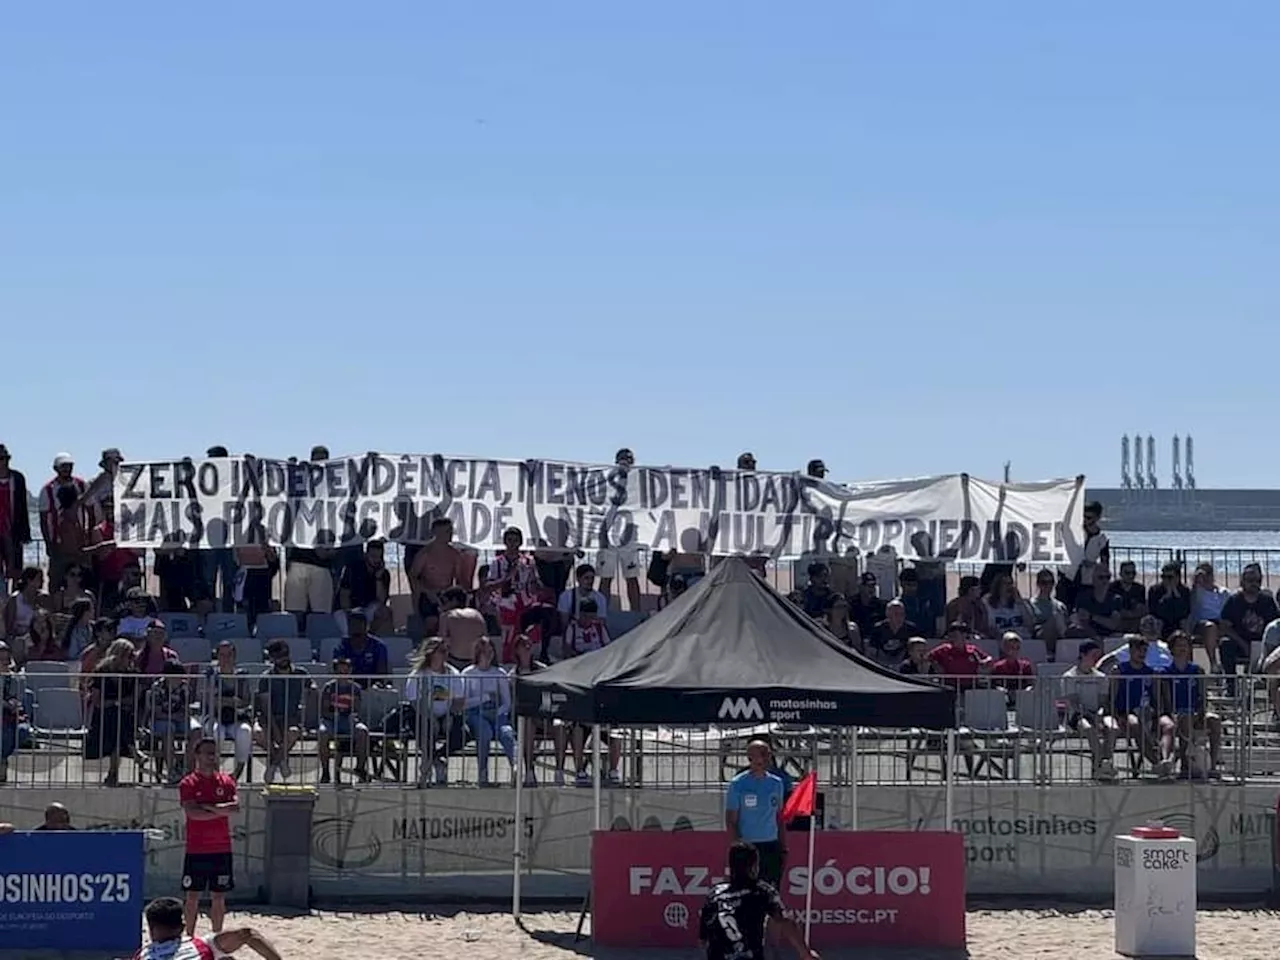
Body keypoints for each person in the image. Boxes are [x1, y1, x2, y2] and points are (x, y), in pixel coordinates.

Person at [699, 841, 817, 960]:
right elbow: (786, 921)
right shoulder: (761, 891)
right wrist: (805, 953)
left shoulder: (714, 895)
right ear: (754, 867)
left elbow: (703, 940)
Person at [178, 738, 240, 937]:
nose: (212, 757)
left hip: (221, 848)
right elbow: (193, 813)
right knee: (192, 895)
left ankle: (216, 936)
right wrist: (220, 810)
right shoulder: (188, 783)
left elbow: (235, 808)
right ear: (197, 756)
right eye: (207, 753)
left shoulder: (226, 781)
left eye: (214, 753)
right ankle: (189, 936)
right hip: (196, 848)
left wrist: (207, 806)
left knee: (219, 896)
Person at [137, 895, 282, 960]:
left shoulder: (143, 954)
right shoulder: (199, 945)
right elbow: (248, 934)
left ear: (152, 929)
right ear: (182, 927)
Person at [723, 740, 786, 887]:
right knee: (746, 889)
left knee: (771, 889)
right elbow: (731, 819)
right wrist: (737, 845)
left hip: (771, 845)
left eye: (768, 754)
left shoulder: (777, 783)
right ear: (750, 757)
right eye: (762, 754)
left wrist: (783, 846)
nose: (766, 758)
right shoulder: (738, 784)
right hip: (748, 846)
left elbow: (779, 817)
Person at [461, 636, 516, 786]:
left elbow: (507, 702)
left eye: (491, 651)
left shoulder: (499, 673)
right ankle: (483, 773)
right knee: (484, 731)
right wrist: (485, 697)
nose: (488, 655)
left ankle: (516, 769)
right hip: (475, 713)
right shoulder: (468, 673)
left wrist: (497, 713)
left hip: (497, 712)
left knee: (507, 734)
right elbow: (464, 703)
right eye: (485, 651)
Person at [1061, 641, 1117, 781]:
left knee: (1113, 727)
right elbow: (1073, 703)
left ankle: (1106, 763)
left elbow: (1103, 701)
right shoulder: (1069, 677)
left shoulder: (1101, 677)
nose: (1096, 658)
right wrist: (1090, 715)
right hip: (1077, 715)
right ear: (1082, 655)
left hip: (1098, 713)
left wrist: (1099, 713)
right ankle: (1099, 766)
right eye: (1093, 655)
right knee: (1089, 728)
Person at [317, 655, 371, 783]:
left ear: (350, 671)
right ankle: (325, 771)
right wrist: (333, 714)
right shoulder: (328, 687)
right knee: (322, 733)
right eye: (340, 672)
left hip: (348, 720)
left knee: (363, 731)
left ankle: (360, 768)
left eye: (345, 671)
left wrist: (350, 715)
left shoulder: (355, 688)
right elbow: (324, 710)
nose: (343, 674)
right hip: (331, 720)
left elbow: (356, 708)